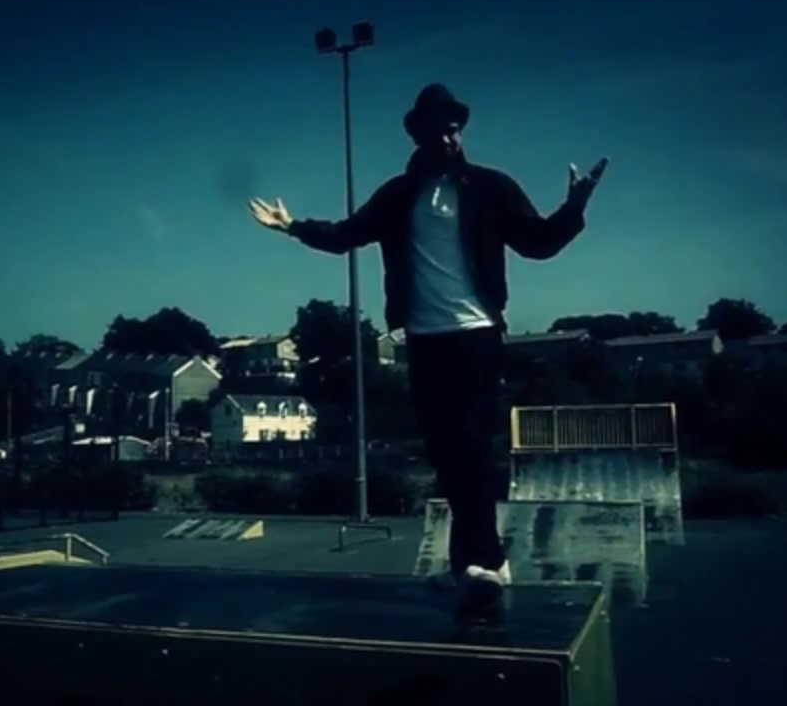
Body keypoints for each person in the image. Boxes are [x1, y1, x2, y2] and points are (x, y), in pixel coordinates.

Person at [248, 83, 608, 617]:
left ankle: (482, 561)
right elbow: (348, 233)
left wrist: (573, 208)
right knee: (445, 452)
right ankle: (480, 564)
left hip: (476, 331)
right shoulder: (399, 194)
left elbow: (537, 243)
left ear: (461, 132)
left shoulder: (490, 187)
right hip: (423, 338)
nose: (447, 138)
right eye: (437, 130)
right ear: (418, 136)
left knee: (471, 444)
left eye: (454, 129)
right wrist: (293, 227)